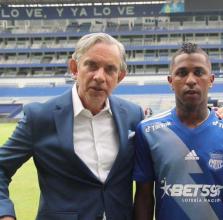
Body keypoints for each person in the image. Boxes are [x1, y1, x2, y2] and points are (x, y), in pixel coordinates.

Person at [0, 33, 143, 220]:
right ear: (74, 68)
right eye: (91, 65)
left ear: (120, 76)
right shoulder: (41, 117)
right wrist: (5, 214)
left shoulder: (133, 115)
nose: (100, 77)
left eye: (110, 69)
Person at [133, 42, 223, 220]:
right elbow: (144, 198)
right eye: (182, 73)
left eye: (199, 72)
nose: (191, 80)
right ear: (171, 81)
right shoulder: (148, 131)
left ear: (211, 80)